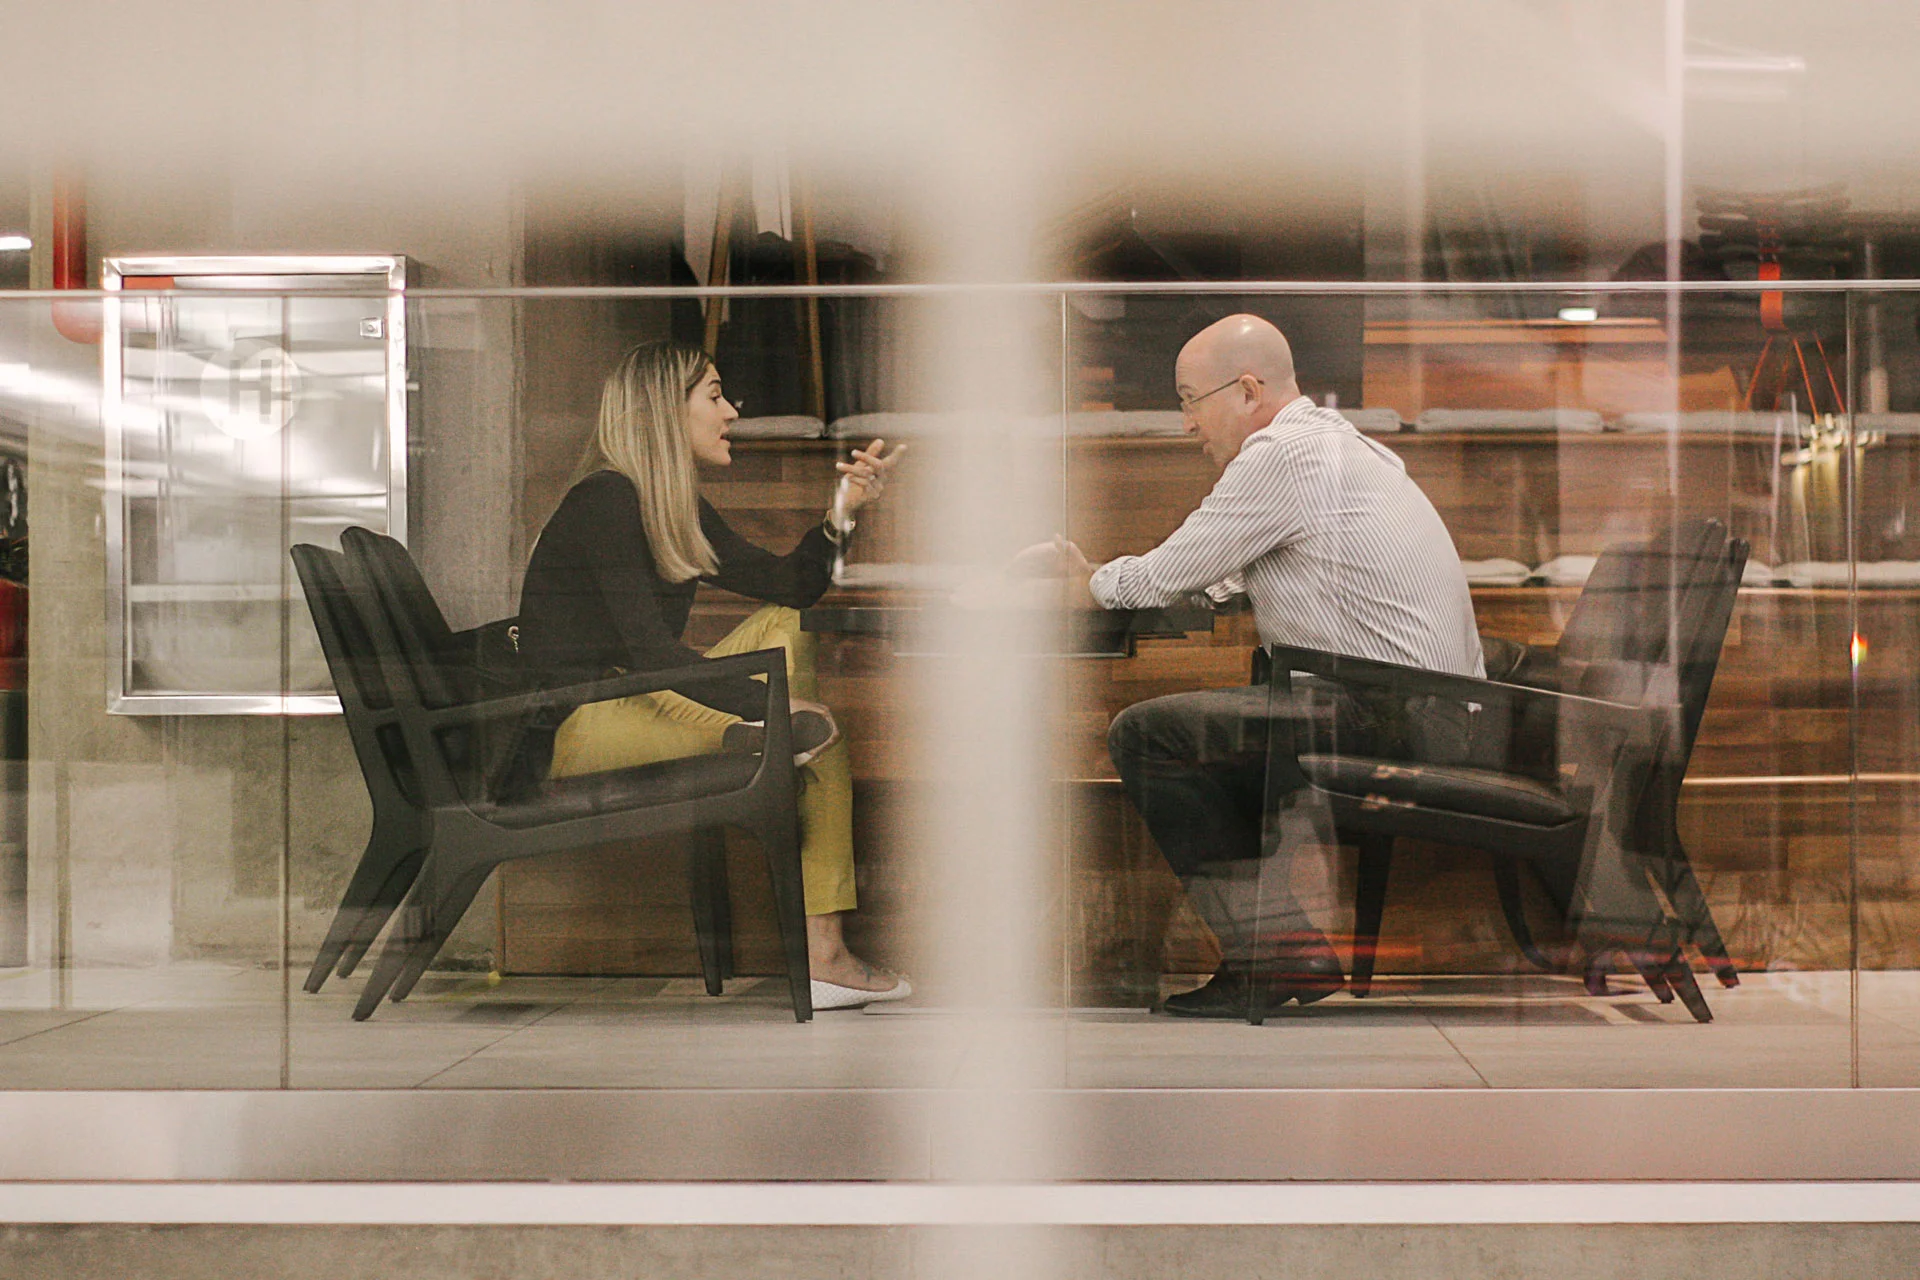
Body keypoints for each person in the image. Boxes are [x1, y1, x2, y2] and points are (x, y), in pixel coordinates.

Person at [1020, 314, 1483, 1018]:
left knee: (1149, 734)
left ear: (1246, 391)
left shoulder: (1285, 454)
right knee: (1221, 722)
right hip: (1423, 710)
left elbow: (1163, 576)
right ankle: (1278, 947)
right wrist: (1102, 579)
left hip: (1395, 714)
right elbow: (1213, 576)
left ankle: (1273, 951)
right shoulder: (1329, 448)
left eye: (1189, 401)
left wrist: (1083, 584)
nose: (1186, 425)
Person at [517, 340, 908, 1010]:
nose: (731, 413)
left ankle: (776, 737)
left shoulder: (670, 504)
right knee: (809, 734)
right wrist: (764, 701)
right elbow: (650, 654)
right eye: (716, 396)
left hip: (637, 700)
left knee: (788, 622)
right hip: (577, 725)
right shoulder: (604, 500)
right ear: (664, 411)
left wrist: (842, 510)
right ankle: (824, 949)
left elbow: (791, 585)